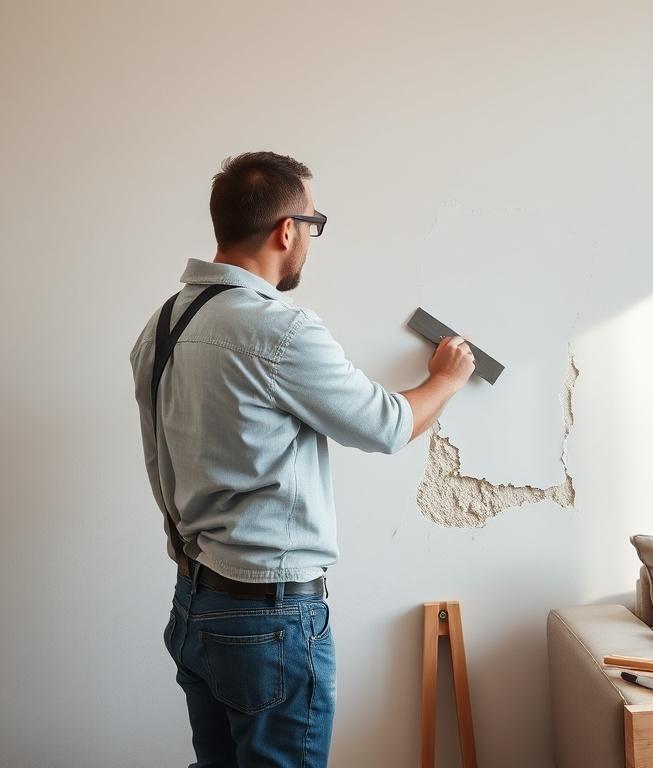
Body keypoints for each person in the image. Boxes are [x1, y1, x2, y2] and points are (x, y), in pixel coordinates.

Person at [129, 151, 475, 768]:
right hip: (270, 616)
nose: (310, 241)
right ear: (286, 229)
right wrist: (445, 380)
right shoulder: (278, 330)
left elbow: (160, 464)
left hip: (194, 606)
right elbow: (387, 426)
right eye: (313, 225)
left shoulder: (162, 325)